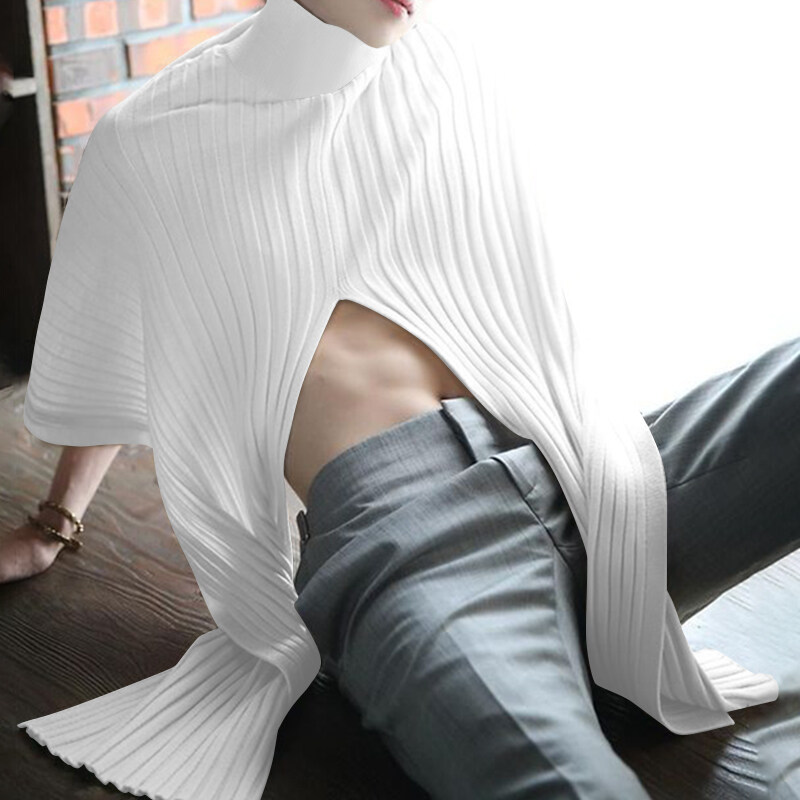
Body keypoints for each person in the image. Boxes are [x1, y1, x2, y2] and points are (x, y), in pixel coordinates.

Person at [12, 1, 797, 799]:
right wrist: (52, 524)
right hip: (408, 541)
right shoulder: (150, 138)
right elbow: (114, 351)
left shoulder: (443, 64)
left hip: (586, 469)